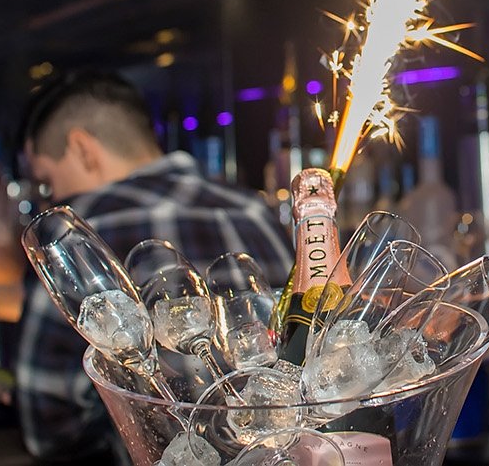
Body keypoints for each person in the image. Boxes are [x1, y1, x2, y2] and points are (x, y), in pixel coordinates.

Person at [15, 69, 293, 462]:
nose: (50, 197)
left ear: (82, 149)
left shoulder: (78, 231)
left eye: (46, 181)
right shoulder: (256, 209)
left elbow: (47, 426)